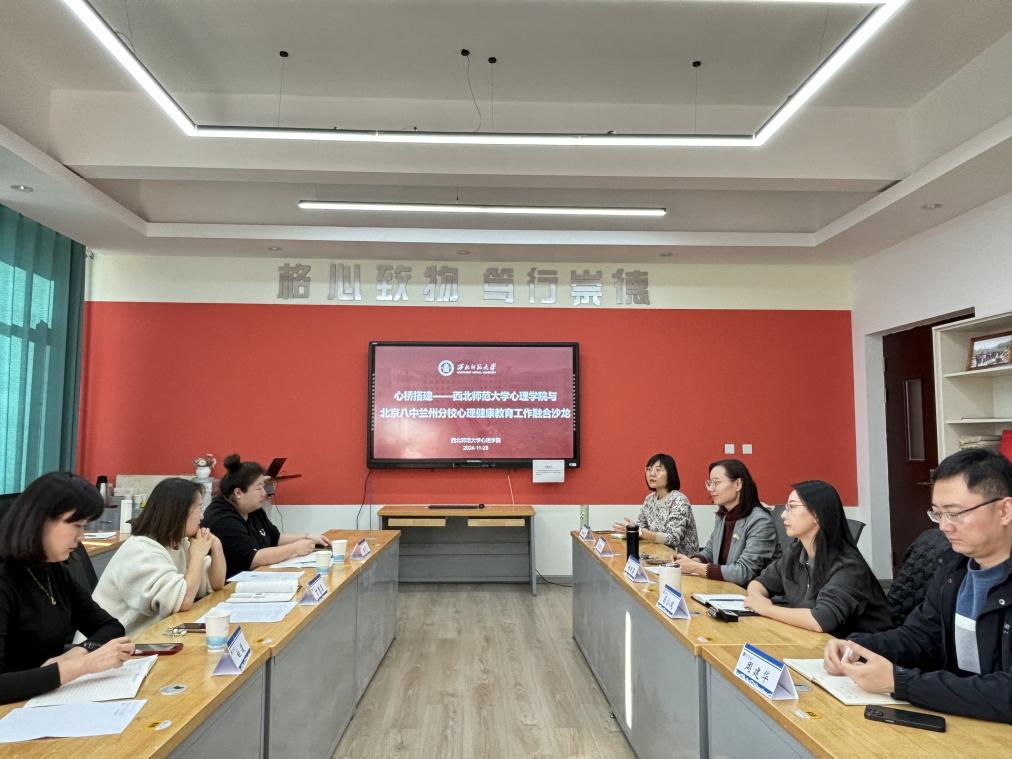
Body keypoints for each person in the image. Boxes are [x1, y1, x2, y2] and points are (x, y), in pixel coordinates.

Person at [823, 449, 1012, 723]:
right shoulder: (953, 569)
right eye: (938, 514)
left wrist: (902, 682)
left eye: (955, 513)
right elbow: (920, 637)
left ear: (1004, 510)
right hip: (963, 719)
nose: (944, 527)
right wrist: (857, 647)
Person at [0, 472, 133, 704]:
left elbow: (110, 626)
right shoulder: (5, 580)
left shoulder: (53, 571)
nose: (81, 536)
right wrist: (81, 666)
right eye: (77, 525)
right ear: (40, 521)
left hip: (44, 699)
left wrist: (77, 653)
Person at [745, 480, 890, 635]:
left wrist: (767, 609)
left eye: (792, 507)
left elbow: (821, 621)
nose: (783, 514)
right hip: (814, 641)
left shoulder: (848, 567)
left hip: (860, 647)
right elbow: (760, 583)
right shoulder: (795, 553)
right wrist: (756, 598)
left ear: (817, 515)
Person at [93, 478, 226, 636]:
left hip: (154, 635)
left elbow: (216, 583)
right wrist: (197, 556)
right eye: (199, 508)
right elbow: (183, 602)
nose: (202, 516)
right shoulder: (142, 551)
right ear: (179, 512)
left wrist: (216, 545)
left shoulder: (179, 543)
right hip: (115, 641)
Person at [203, 454, 329, 578]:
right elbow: (252, 558)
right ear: (238, 493)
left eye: (263, 487)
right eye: (259, 488)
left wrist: (307, 537)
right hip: (232, 585)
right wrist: (295, 548)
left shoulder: (252, 509)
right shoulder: (221, 518)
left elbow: (275, 538)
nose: (264, 493)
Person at [674, 459, 780, 585]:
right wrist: (690, 562)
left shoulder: (760, 521)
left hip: (750, 592)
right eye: (710, 483)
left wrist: (695, 568)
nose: (711, 489)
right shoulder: (723, 516)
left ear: (738, 484)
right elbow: (710, 551)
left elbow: (744, 572)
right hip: (724, 587)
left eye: (716, 482)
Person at [612, 453, 698, 555]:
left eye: (658, 470)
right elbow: (642, 529)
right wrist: (632, 530)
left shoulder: (679, 500)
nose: (652, 474)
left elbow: (673, 538)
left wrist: (640, 532)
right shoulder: (649, 499)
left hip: (681, 560)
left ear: (670, 474)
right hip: (656, 556)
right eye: (649, 469)